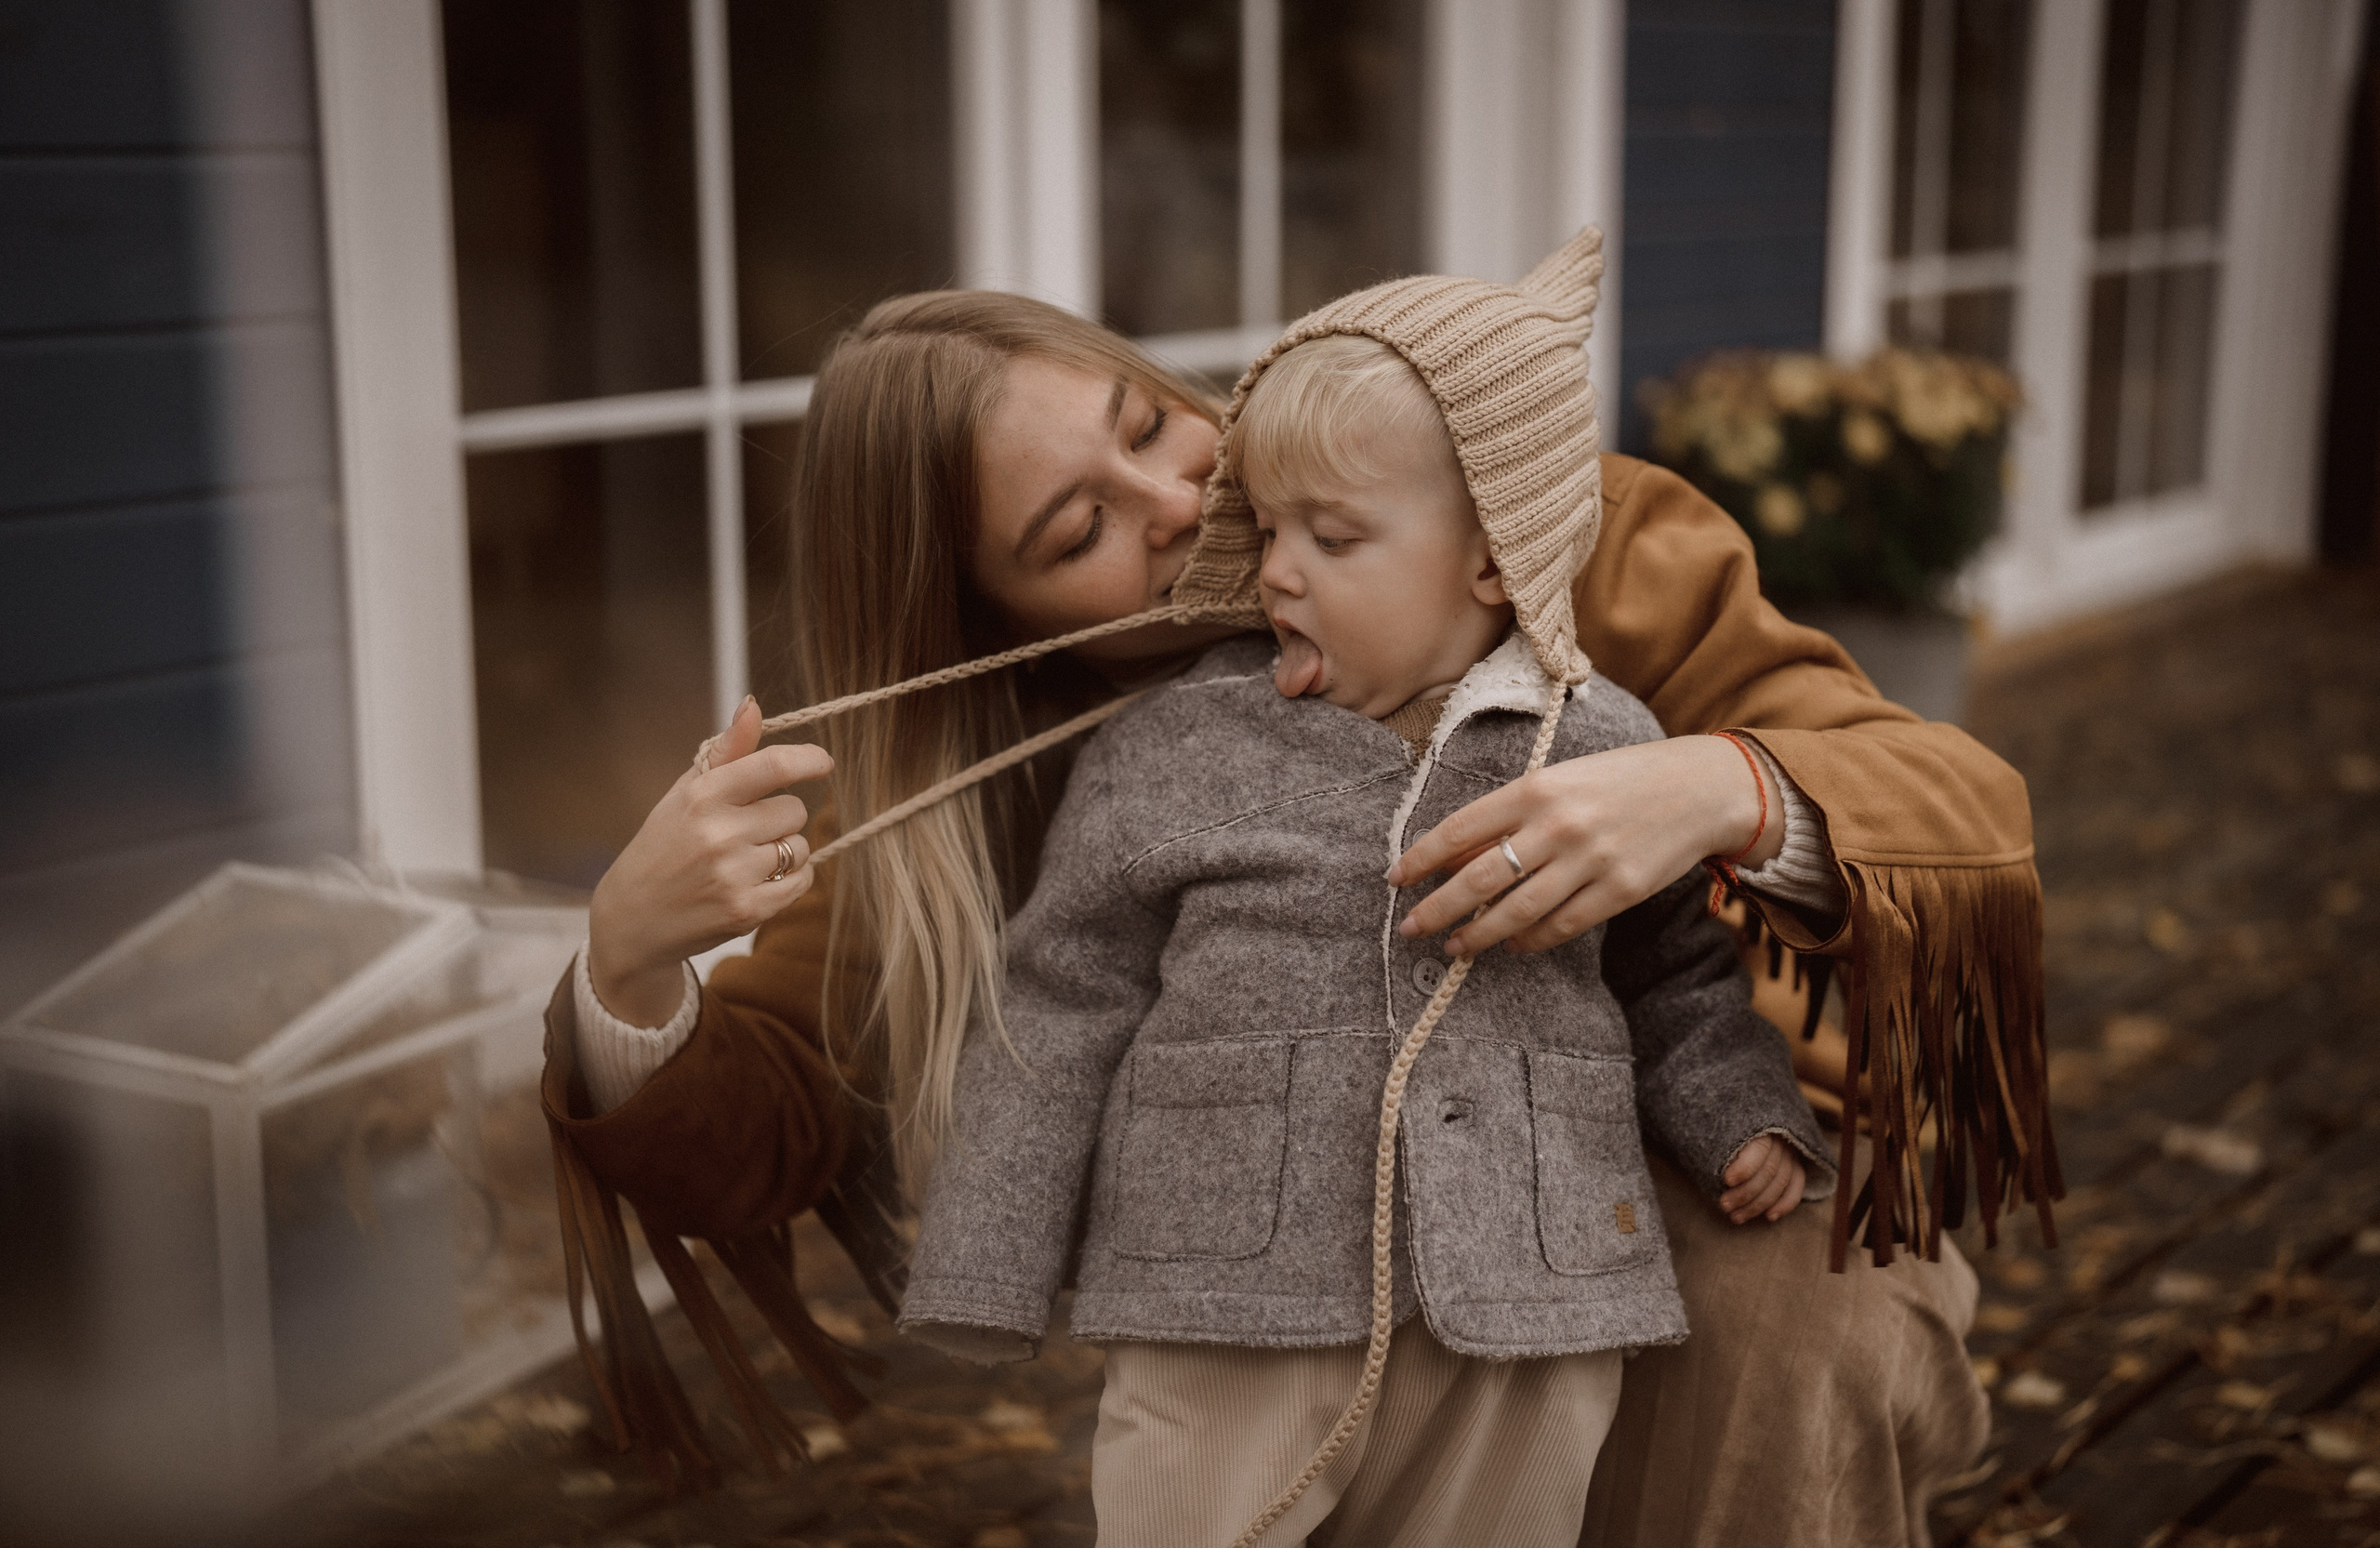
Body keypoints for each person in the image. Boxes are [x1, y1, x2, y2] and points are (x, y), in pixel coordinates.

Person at [543, 229, 2041, 1544]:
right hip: (1298, 1262)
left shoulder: (1514, 507)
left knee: (1771, 1342)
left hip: (1712, 1145)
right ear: (989, 616)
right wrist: (628, 967)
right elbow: (770, 1120)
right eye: (1078, 531)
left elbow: (1958, 799)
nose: (1176, 499)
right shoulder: (1001, 769)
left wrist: (1707, 787)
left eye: (1152, 421)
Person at [896, 248, 1835, 1546]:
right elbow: (1058, 1002)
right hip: (1226, 1295)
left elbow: (1672, 968)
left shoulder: (1606, 740)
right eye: (1268, 528)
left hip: (1531, 1283)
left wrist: (1737, 1111)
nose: (1274, 571)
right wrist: (984, 1264)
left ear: (1496, 560)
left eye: (1329, 539)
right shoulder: (1162, 755)